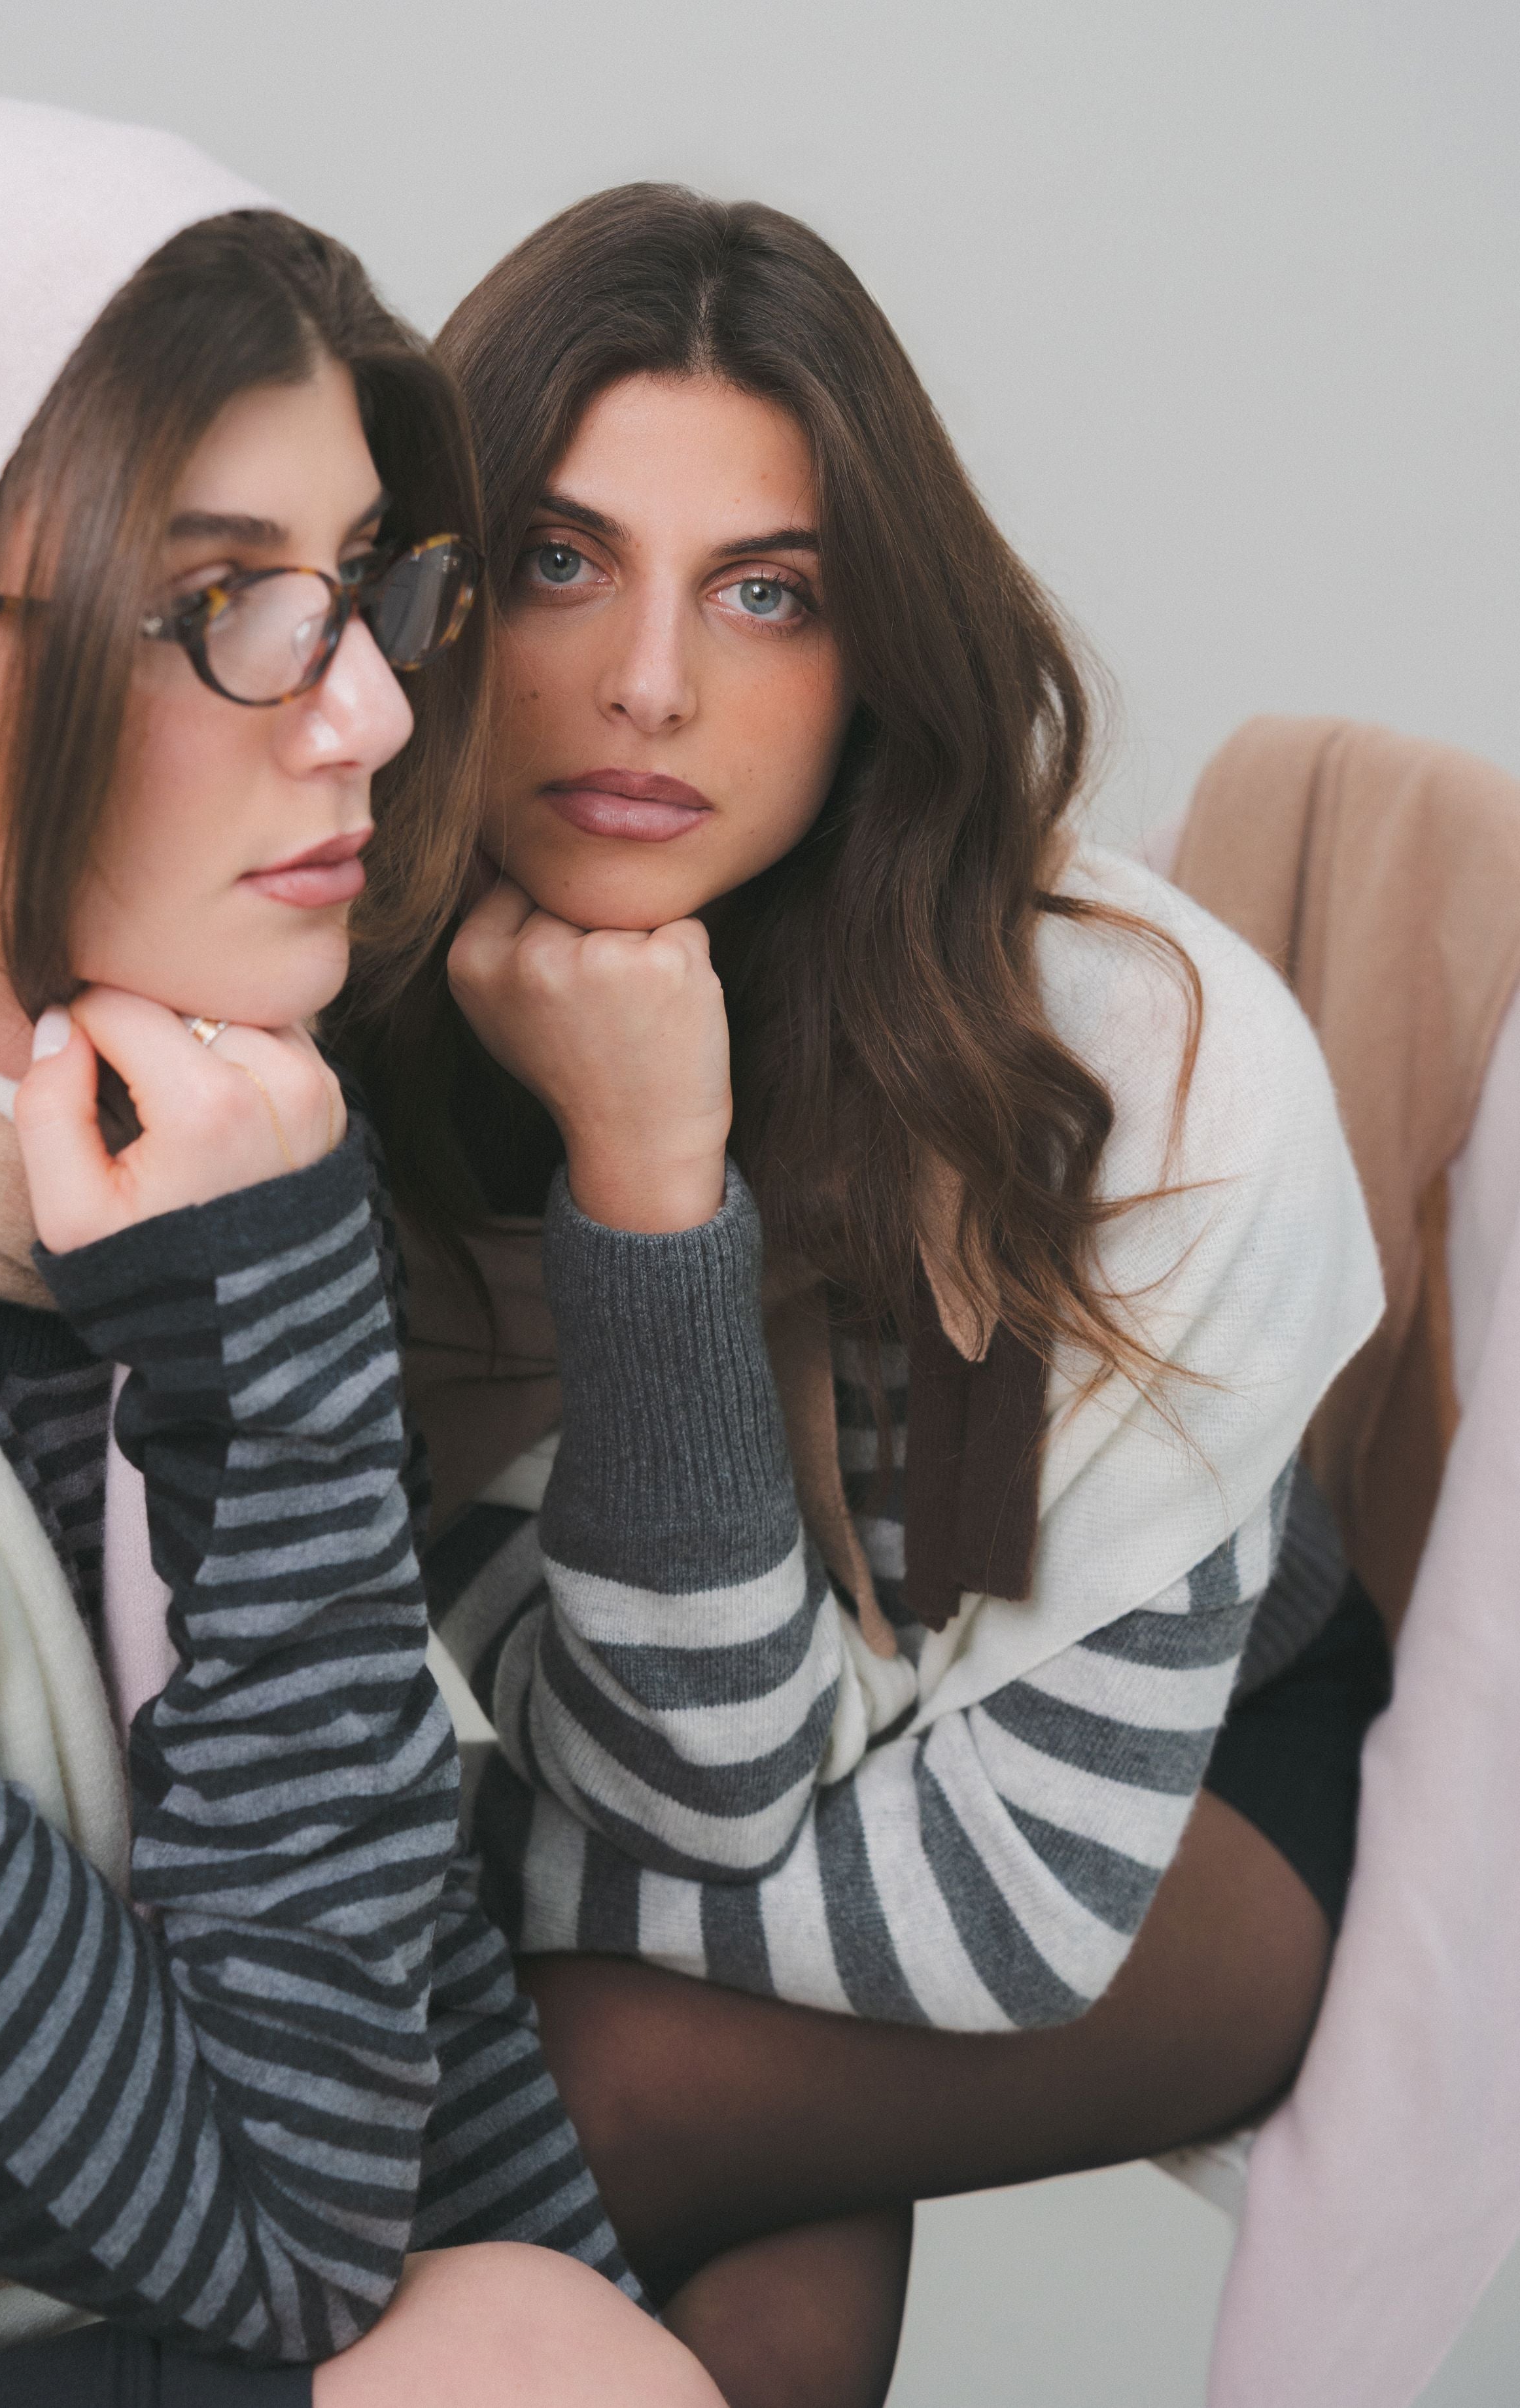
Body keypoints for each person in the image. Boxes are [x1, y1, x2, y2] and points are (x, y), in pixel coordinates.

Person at [0, 100, 723, 2408]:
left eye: (366, 581)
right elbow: (290, 2231)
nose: (375, 709)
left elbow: (427, 2070)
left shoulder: (159, 1173)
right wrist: (273, 1375)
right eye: (225, 607)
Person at [346, 184, 1389, 2408]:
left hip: (1168, 1812)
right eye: (562, 559)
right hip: (768, 1799)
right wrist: (627, 1184)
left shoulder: (1140, 1060)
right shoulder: (352, 1048)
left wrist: (651, 1185)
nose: (651, 681)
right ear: (434, 597)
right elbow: (704, 1777)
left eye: (768, 592)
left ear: (875, 653)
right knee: (653, 2153)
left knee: (544, 2090)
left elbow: (1002, 1899)